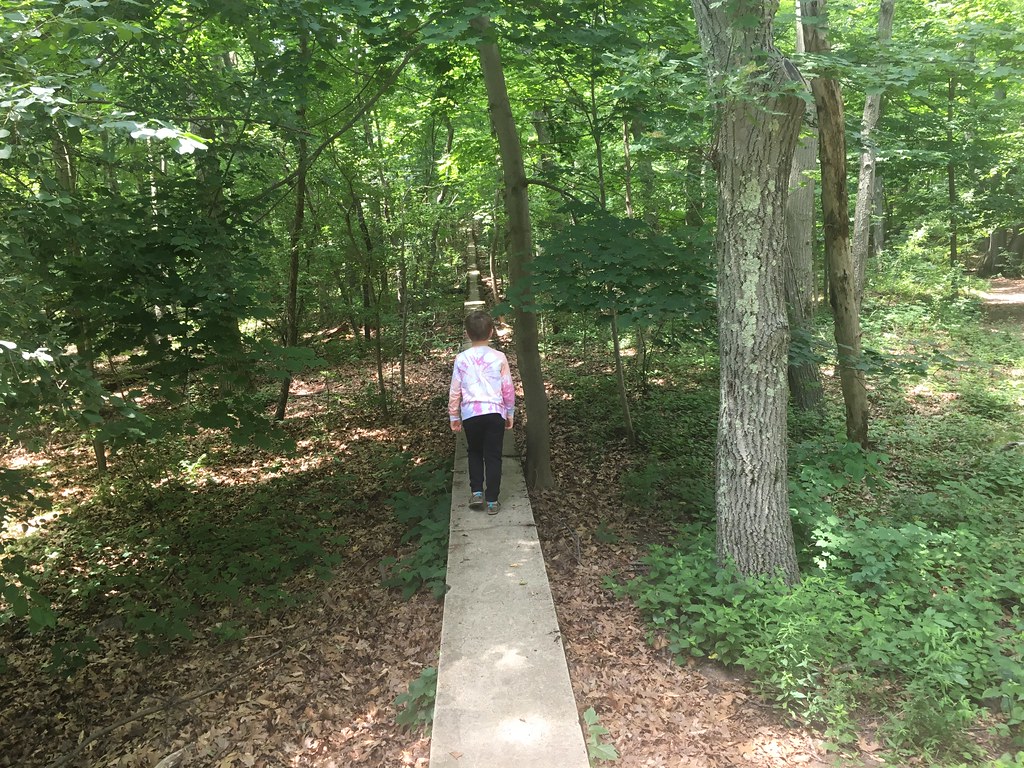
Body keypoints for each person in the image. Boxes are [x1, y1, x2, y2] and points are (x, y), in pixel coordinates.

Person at [448, 310, 515, 515]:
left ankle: (476, 492)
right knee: (493, 456)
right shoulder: (499, 357)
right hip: (495, 413)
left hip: (471, 414)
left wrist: (454, 415)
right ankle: (492, 500)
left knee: (475, 452)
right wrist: (509, 412)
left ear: (467, 334)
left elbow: (455, 389)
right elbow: (508, 388)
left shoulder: (461, 358)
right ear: (492, 332)